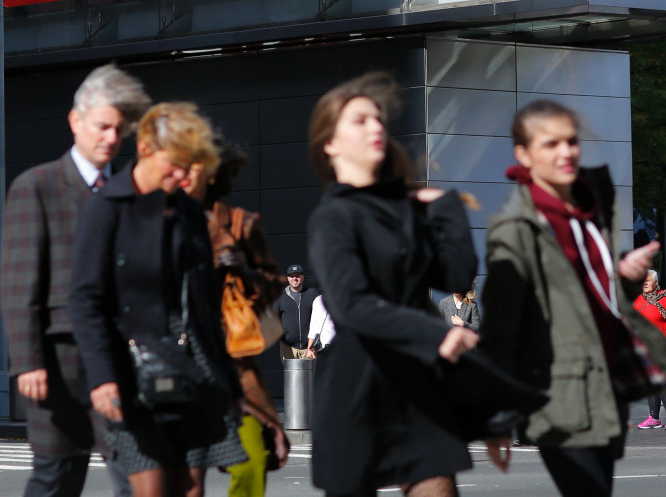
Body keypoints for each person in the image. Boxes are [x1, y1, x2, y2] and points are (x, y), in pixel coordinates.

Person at [480, 100, 666, 497]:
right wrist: (494, 418)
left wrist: (625, 276)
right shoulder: (519, 227)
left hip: (603, 381)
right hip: (558, 390)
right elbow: (502, 324)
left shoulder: (581, 216)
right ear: (524, 154)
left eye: (571, 141)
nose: (566, 151)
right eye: (551, 143)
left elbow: (594, 295)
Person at [305, 72, 479, 497]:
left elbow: (457, 277)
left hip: (417, 384)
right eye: (360, 120)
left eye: (379, 119)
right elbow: (352, 306)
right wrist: (437, 333)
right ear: (330, 143)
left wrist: (447, 210)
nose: (376, 127)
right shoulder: (333, 218)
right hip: (356, 386)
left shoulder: (404, 212)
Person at [69, 102, 247, 497]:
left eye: (191, 165)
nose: (184, 175)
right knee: (151, 490)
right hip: (130, 370)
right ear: (147, 148)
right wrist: (101, 377)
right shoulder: (105, 208)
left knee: (191, 490)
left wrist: (231, 387)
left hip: (192, 366)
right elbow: (85, 300)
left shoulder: (188, 213)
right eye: (177, 163)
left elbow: (205, 307)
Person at [1, 64, 148, 497]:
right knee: (57, 480)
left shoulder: (129, 191)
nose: (110, 138)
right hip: (58, 362)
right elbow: (19, 279)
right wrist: (27, 360)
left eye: (119, 130)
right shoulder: (37, 187)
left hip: (120, 360)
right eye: (102, 126)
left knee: (136, 478)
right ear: (75, 121)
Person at [185, 143, 290, 497]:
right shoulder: (159, 221)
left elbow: (275, 282)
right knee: (188, 480)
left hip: (233, 365)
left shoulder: (239, 223)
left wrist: (242, 271)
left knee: (252, 462)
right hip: (176, 363)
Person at [632, 270, 666, 431]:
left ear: (656, 283)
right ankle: (654, 418)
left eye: (648, 281)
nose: (644, 283)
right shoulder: (639, 300)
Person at [273, 265, 321, 359]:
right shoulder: (280, 296)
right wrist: (283, 336)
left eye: (297, 276)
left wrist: (313, 345)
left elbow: (321, 317)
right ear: (287, 278)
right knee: (290, 374)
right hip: (288, 348)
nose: (294, 278)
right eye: (292, 276)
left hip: (309, 348)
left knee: (309, 374)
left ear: (302, 277)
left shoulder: (313, 294)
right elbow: (274, 319)